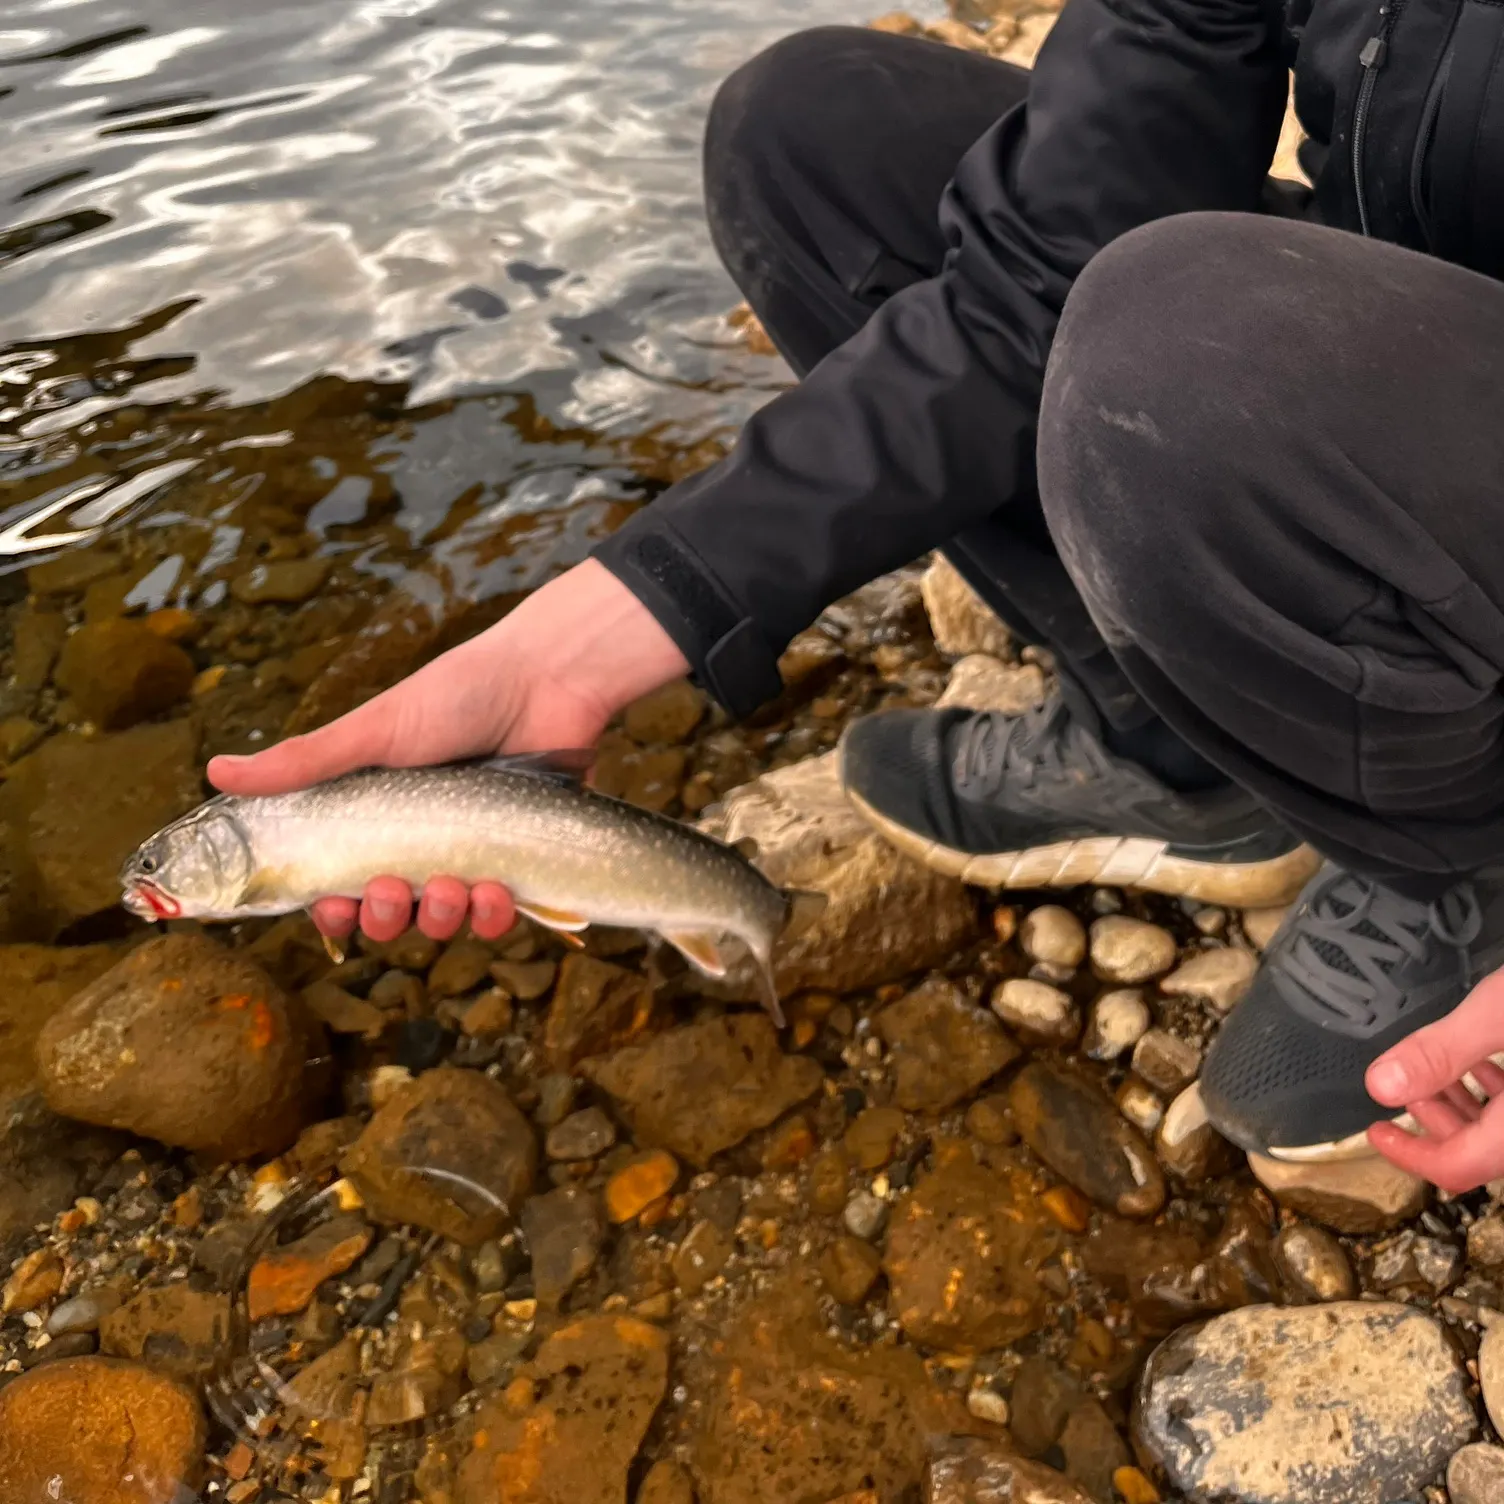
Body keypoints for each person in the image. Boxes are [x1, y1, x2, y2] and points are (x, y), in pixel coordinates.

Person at [213, 3, 1504, 1192]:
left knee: (1182, 347)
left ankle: (1459, 857)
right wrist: (592, 635)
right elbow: (1032, 277)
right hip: (1412, 338)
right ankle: (1183, 744)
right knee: (809, 137)